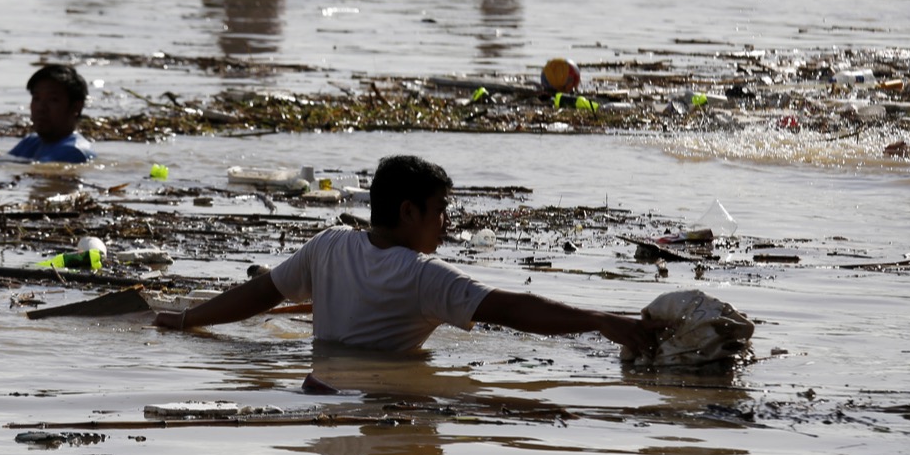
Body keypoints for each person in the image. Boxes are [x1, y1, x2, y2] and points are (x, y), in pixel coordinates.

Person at [154, 154, 657, 356]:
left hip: (323, 382)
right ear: (409, 210)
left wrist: (186, 320)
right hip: (384, 398)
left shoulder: (329, 244)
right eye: (441, 211)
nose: (447, 223)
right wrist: (598, 319)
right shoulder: (422, 276)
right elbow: (509, 309)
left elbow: (258, 294)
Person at [9, 63, 95, 163]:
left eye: (53, 100)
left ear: (76, 107)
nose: (40, 108)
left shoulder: (74, 151)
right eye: (36, 98)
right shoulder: (31, 142)